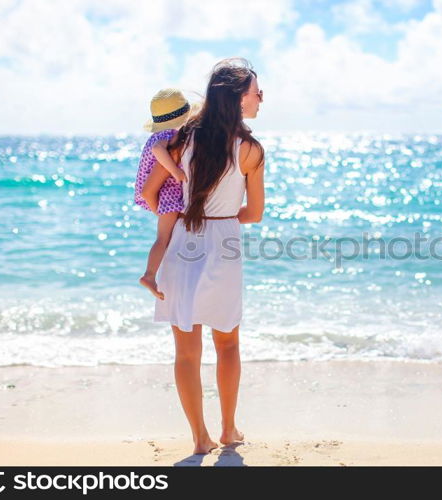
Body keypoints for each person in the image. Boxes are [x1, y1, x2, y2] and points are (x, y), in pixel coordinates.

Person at [153, 57, 265, 454]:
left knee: (185, 350)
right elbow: (253, 214)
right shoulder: (250, 149)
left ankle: (199, 437)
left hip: (183, 237)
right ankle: (229, 429)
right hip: (223, 242)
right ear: (238, 98)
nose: (261, 99)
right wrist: (219, 215)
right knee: (228, 344)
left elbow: (151, 191)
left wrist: (181, 213)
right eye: (257, 92)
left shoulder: (181, 138)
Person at [134, 88, 193, 300]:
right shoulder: (169, 135)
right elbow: (160, 151)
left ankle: (151, 274)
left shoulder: (159, 134)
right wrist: (175, 170)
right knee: (163, 237)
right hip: (167, 192)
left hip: (162, 190)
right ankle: (149, 275)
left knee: (163, 236)